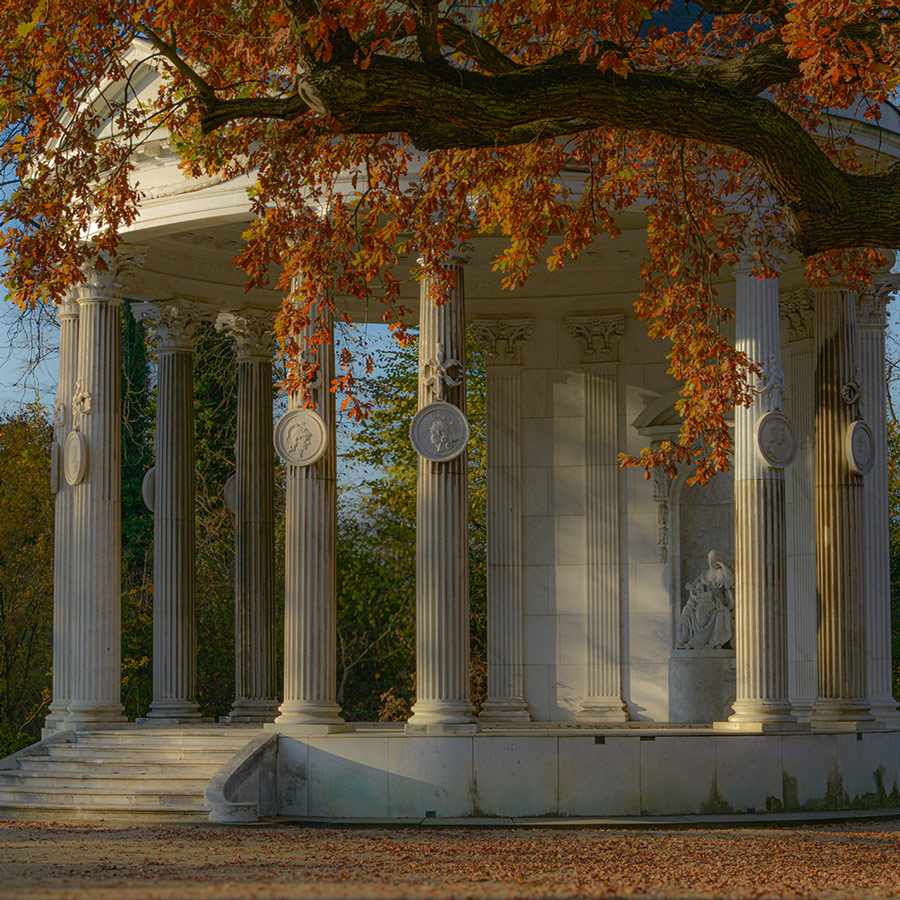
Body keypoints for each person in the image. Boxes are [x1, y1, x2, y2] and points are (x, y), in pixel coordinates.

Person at [676, 549, 735, 650]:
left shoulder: (720, 572)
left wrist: (722, 565)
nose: (712, 563)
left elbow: (730, 581)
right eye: (711, 560)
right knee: (686, 612)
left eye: (715, 560)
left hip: (715, 601)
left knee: (701, 611)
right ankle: (686, 637)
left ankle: (700, 640)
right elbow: (692, 585)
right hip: (702, 599)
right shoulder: (705, 573)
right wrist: (693, 593)